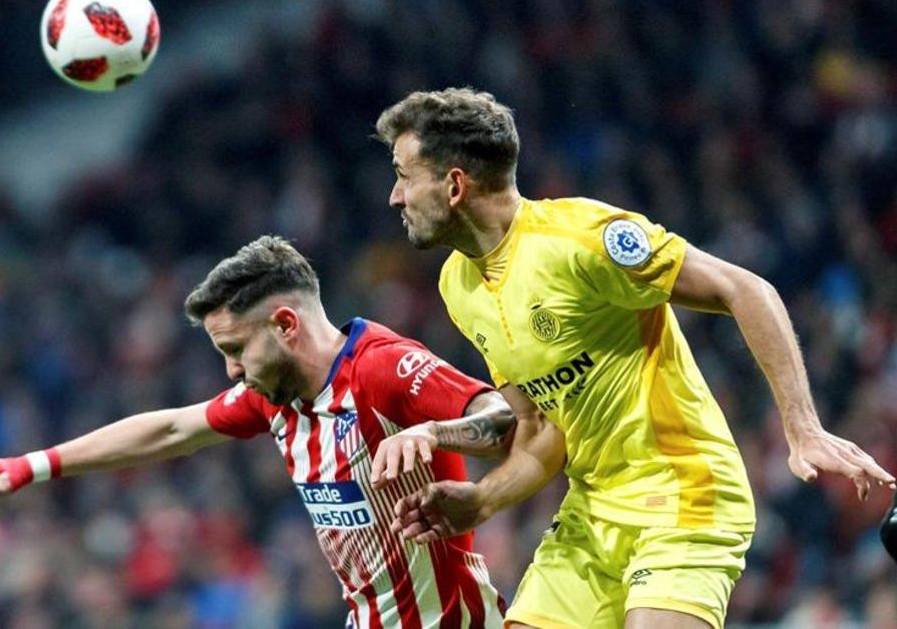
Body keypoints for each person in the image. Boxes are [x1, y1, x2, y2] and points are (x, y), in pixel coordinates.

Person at [369, 87, 897, 629]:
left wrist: (803, 427)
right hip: (593, 514)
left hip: (682, 493)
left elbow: (745, 289)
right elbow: (541, 429)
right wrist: (480, 502)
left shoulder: (580, 240)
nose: (394, 196)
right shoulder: (459, 285)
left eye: (404, 175)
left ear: (455, 184)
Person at [0, 235, 524, 628]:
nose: (231, 370)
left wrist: (437, 436)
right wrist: (28, 466)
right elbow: (170, 430)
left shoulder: (382, 368)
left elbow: (505, 419)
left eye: (236, 349)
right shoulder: (276, 399)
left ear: (286, 324)